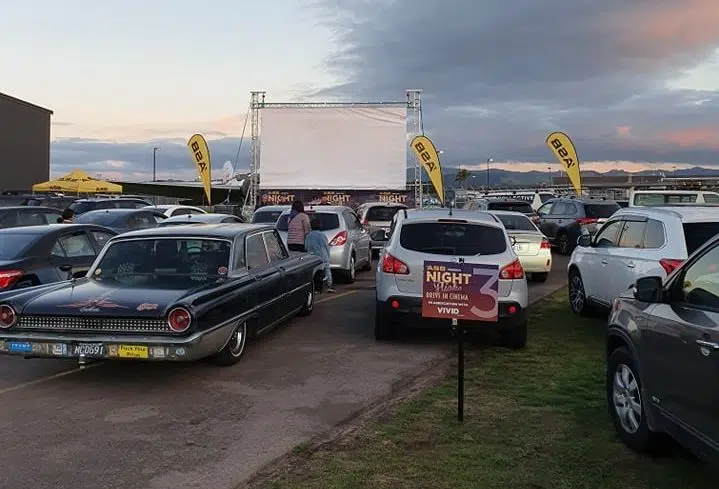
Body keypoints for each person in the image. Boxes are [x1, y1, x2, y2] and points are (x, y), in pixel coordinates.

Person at [306, 216, 335, 293]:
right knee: (327, 270)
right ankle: (329, 285)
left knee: (315, 273)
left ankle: (316, 287)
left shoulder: (309, 235)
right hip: (323, 256)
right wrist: (328, 254)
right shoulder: (322, 235)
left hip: (312, 257)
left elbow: (306, 246)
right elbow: (326, 245)